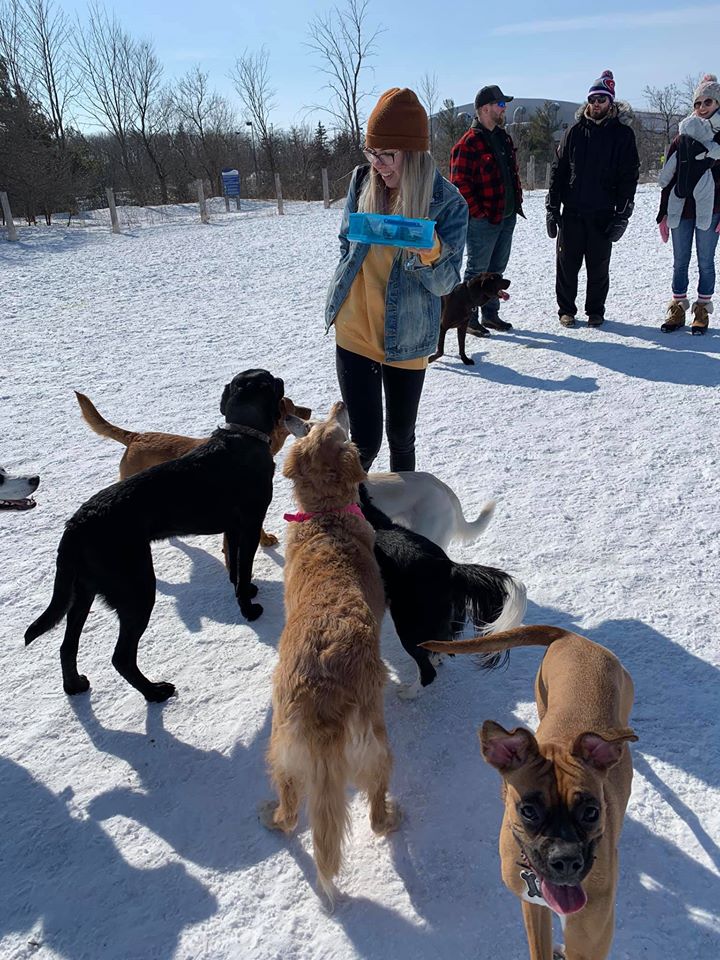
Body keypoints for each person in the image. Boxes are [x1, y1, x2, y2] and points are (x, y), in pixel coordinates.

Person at [325, 87, 468, 472]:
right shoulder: (361, 180)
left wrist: (431, 248)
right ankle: (350, 509)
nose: (378, 165)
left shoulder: (448, 203)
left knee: (401, 437)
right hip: (355, 330)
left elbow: (446, 284)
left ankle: (403, 511)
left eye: (388, 154)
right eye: (371, 152)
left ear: (414, 152)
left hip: (408, 336)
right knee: (365, 442)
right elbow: (346, 242)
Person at [546, 70, 639, 328]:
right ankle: (566, 310)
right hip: (572, 211)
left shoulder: (622, 134)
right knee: (567, 264)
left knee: (598, 266)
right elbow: (557, 171)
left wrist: (623, 215)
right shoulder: (574, 131)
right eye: (592, 99)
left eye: (601, 99)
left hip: (603, 212)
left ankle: (595, 311)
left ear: (611, 101)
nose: (596, 104)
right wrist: (552, 209)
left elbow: (629, 177)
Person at [449, 84, 523, 336]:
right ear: (484, 109)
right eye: (500, 104)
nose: (504, 109)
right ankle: (468, 319)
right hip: (482, 220)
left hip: (507, 216)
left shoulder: (503, 138)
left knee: (496, 271)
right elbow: (459, 184)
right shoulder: (467, 144)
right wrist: (478, 212)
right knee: (476, 272)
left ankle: (490, 315)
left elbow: (511, 174)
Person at [657, 73, 720, 335]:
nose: (702, 107)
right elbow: (668, 177)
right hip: (681, 208)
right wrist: (662, 213)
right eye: (697, 103)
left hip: (712, 210)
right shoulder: (681, 136)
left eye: (708, 102)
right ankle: (677, 308)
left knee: (706, 261)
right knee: (680, 260)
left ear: (717, 103)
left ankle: (702, 310)